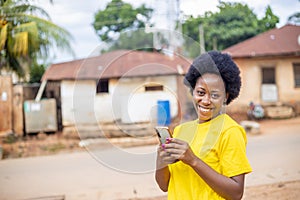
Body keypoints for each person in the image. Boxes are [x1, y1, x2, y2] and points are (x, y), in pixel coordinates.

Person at [155, 51, 252, 200]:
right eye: (201, 92)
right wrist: (161, 160)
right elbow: (164, 185)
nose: (206, 100)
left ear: (225, 97)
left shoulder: (229, 131)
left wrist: (193, 161)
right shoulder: (182, 130)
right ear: (193, 91)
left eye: (214, 95)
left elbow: (236, 193)